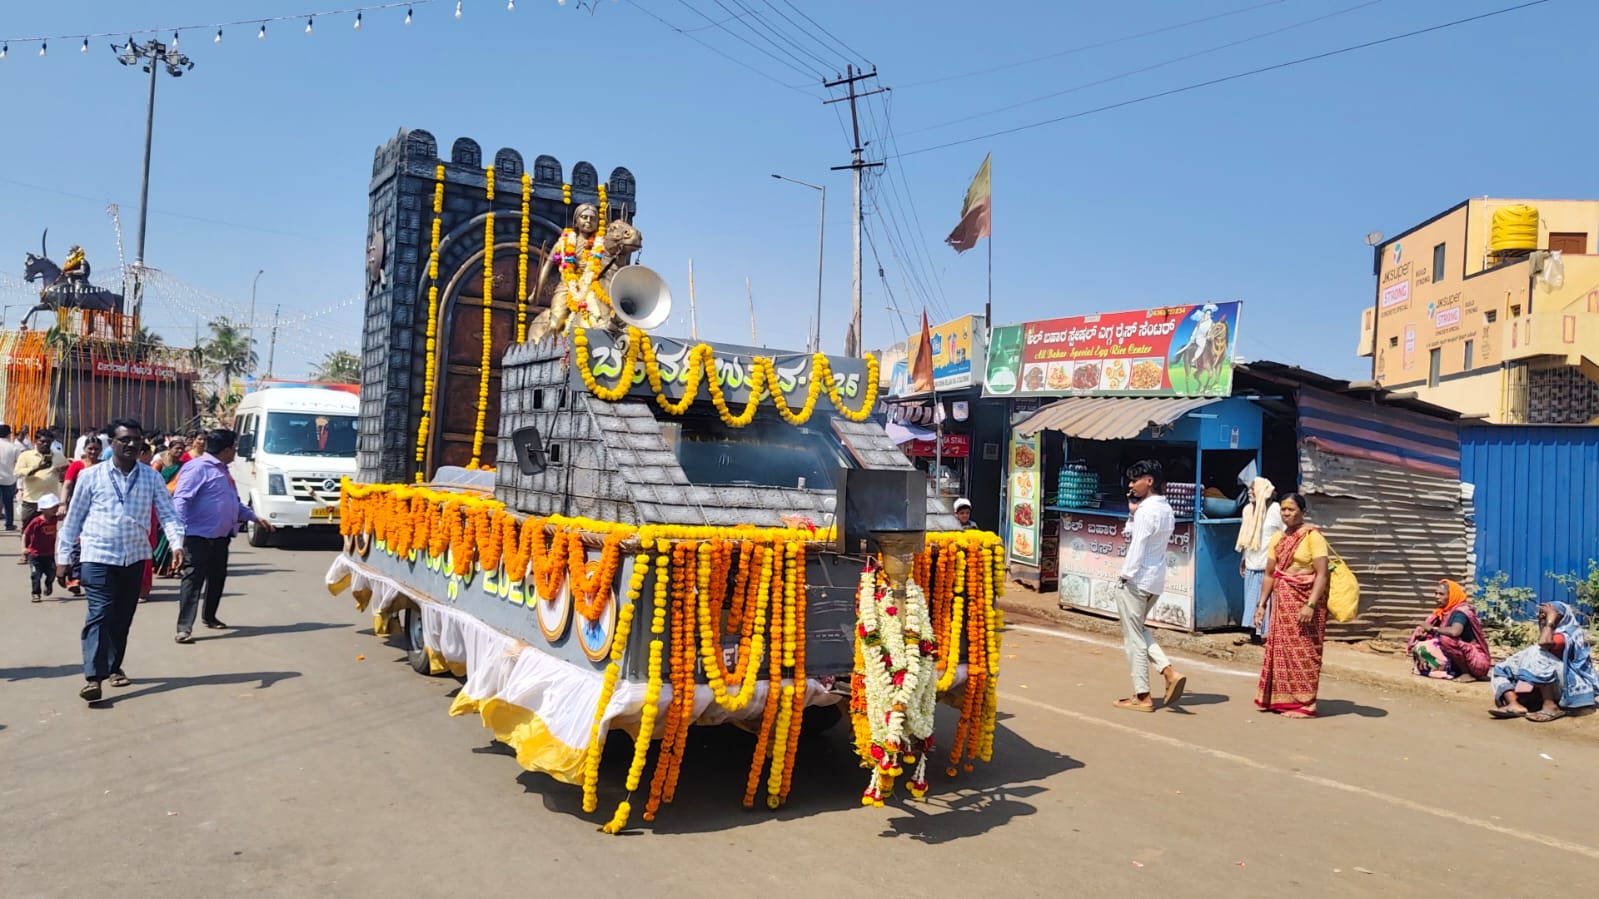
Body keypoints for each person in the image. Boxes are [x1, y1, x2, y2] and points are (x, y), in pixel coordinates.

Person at [56, 418, 185, 702]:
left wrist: (177, 544)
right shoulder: (91, 476)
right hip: (98, 556)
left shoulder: (151, 476)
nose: (130, 444)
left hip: (135, 557)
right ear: (111, 443)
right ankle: (93, 676)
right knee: (99, 613)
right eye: (124, 439)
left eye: (135, 439)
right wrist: (63, 557)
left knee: (122, 618)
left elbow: (168, 514)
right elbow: (73, 518)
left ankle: (114, 667)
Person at [171, 428, 272, 643]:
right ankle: (184, 628)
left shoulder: (224, 471)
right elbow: (180, 501)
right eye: (234, 447)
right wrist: (176, 536)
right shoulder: (197, 468)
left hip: (221, 537)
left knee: (217, 578)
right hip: (198, 536)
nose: (235, 451)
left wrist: (255, 517)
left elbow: (233, 503)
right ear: (226, 450)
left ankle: (210, 616)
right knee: (193, 581)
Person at [1113, 460, 1187, 713]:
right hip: (1155, 580)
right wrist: (1132, 514)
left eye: (1135, 480)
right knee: (1139, 630)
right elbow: (1133, 535)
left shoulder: (1147, 511)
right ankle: (1168, 671)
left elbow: (1137, 546)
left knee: (1133, 638)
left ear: (1150, 481)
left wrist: (1125, 575)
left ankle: (1143, 694)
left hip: (1137, 579)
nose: (1131, 485)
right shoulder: (1165, 509)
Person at [1255, 493, 1330, 718]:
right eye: (1283, 510)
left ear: (1303, 511)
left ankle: (1306, 703)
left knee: (1305, 651)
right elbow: (1270, 574)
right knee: (1282, 649)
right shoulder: (1278, 538)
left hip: (1305, 600)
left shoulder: (1312, 537)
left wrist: (1310, 604)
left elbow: (1322, 574)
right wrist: (1261, 605)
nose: (1286, 514)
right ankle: (1282, 698)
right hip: (1282, 600)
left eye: (1291, 509)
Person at [1489, 601, 1598, 722]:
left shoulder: (1566, 636)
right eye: (1540, 613)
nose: (1539, 616)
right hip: (1554, 682)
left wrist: (1550, 622)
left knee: (1537, 652)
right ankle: (1513, 703)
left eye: (1544, 614)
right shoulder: (1554, 633)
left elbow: (1544, 643)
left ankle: (1550, 705)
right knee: (1501, 667)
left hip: (1570, 686)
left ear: (1559, 617)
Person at [1408, 579, 1492, 681]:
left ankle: (1466, 673)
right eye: (1436, 593)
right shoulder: (1443, 613)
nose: (1437, 597)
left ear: (1452, 596)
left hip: (1477, 662)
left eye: (1441, 594)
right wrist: (1424, 635)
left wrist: (1432, 629)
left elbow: (1455, 631)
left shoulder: (1461, 612)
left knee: (1446, 639)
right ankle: (1450, 670)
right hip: (1460, 658)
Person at [1235, 477, 1285, 645]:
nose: (1249, 492)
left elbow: (1284, 535)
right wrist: (1243, 557)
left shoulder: (1276, 510)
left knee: (1265, 600)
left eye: (1253, 489)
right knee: (1251, 600)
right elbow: (1247, 535)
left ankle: (1265, 634)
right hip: (1251, 560)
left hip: (1268, 563)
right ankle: (1254, 634)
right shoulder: (1248, 510)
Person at [15, 427, 66, 535]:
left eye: (48, 442)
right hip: (32, 500)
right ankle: (26, 551)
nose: (45, 444)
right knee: (28, 532)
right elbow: (18, 472)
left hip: (50, 502)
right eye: (42, 441)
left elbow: (65, 472)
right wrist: (37, 468)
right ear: (35, 441)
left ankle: (44, 552)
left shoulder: (57, 455)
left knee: (47, 532)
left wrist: (61, 473)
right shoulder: (26, 455)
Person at [23, 494, 61, 601]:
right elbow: (25, 534)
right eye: (52, 507)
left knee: (52, 573)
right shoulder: (36, 521)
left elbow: (65, 514)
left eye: (56, 506)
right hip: (35, 554)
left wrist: (63, 508)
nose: (55, 509)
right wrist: (24, 548)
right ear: (43, 509)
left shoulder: (54, 519)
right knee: (36, 575)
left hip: (49, 554)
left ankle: (48, 584)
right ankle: (36, 593)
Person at [62, 435, 103, 507]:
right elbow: (67, 486)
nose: (93, 451)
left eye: (96, 449)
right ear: (84, 449)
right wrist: (63, 504)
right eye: (90, 449)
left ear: (101, 450)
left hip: (99, 503)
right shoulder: (76, 465)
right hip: (78, 502)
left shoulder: (104, 465)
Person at [0, 424, 22, 530]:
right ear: (9, 434)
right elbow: (19, 462)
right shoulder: (14, 447)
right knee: (8, 502)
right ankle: (9, 524)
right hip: (9, 479)